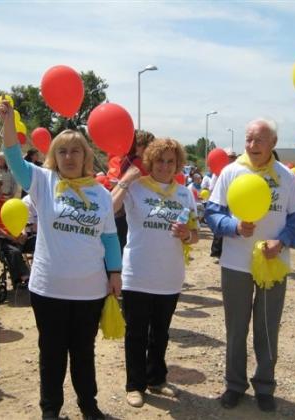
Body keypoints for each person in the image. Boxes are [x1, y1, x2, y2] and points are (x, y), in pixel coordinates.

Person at [0, 102, 122, 420]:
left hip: (90, 290)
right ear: (54, 156)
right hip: (49, 288)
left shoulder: (100, 194)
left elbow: (109, 238)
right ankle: (50, 410)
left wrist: (115, 273)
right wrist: (8, 122)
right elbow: (13, 157)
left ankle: (88, 405)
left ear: (86, 156)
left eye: (75, 151)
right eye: (62, 151)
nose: (69, 157)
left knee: (83, 352)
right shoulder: (43, 182)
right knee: (52, 353)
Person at [205, 118, 295, 412]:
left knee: (267, 328)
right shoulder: (230, 172)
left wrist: (282, 242)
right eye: (248, 139)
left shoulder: (286, 177)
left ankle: (264, 385)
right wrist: (233, 226)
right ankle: (234, 385)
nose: (252, 145)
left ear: (273, 143)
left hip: (273, 264)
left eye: (259, 140)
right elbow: (212, 213)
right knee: (236, 328)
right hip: (235, 264)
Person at [111, 138, 199, 408]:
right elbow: (109, 209)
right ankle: (134, 385)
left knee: (160, 333)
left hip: (169, 276)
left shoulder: (184, 194)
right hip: (137, 273)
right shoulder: (136, 187)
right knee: (136, 333)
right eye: (160, 160)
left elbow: (195, 235)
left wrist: (187, 235)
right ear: (150, 161)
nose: (165, 166)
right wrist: (125, 180)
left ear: (178, 164)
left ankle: (157, 379)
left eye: (171, 161)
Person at [107, 130, 155, 252]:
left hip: (127, 205)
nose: (149, 150)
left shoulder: (129, 159)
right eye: (145, 145)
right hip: (129, 207)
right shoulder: (137, 161)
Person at [0, 174, 30, 289]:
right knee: (14, 251)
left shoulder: (6, 203)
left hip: (17, 236)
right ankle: (23, 278)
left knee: (37, 244)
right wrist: (11, 237)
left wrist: (23, 233)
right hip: (2, 238)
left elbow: (20, 217)